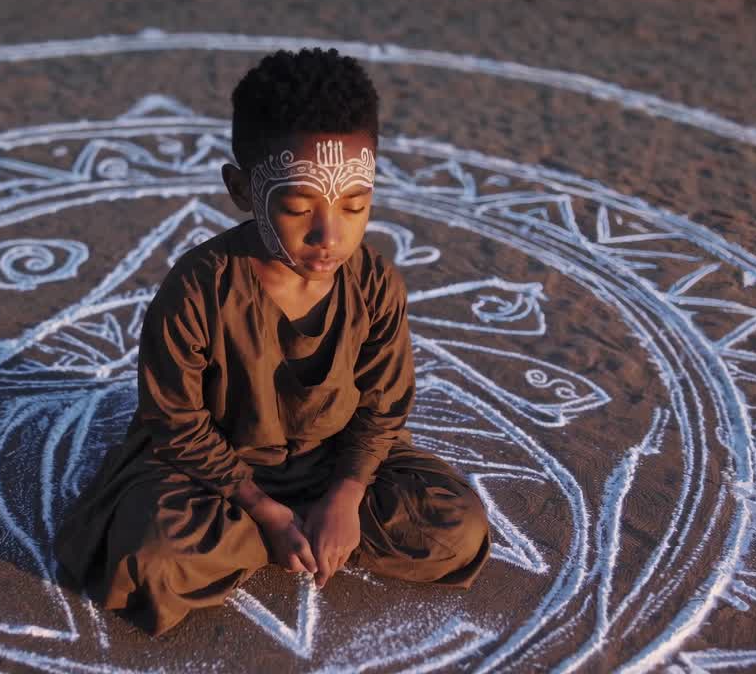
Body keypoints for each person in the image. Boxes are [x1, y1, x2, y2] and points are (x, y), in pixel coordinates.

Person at [53, 47, 490, 636]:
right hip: (216, 474)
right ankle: (281, 534)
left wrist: (344, 497)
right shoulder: (197, 288)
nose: (329, 234)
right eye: (296, 205)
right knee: (150, 559)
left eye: (355, 204)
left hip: (335, 463)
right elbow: (174, 420)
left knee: (455, 526)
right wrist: (261, 508)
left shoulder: (376, 282)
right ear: (240, 189)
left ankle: (311, 530)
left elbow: (384, 407)